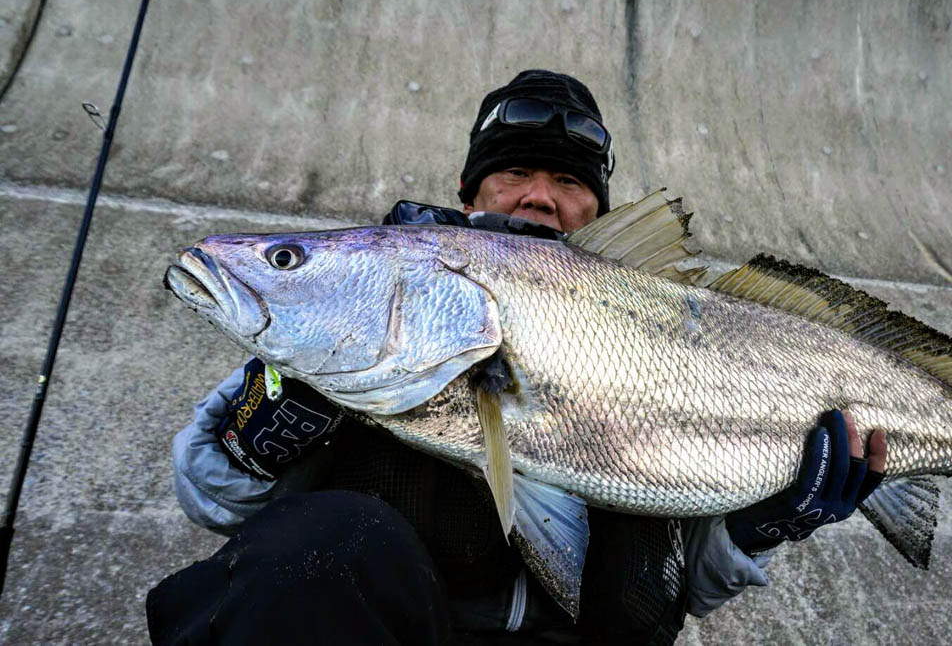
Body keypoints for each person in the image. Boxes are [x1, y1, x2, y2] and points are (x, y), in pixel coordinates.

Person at [146, 70, 887, 645]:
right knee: (314, 544)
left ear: (598, 210)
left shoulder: (665, 319)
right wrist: (255, 439)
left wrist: (762, 526)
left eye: (569, 182)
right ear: (466, 195)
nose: (541, 197)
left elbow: (688, 584)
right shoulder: (360, 321)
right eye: (514, 174)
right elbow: (217, 503)